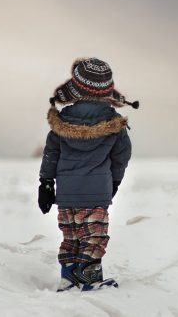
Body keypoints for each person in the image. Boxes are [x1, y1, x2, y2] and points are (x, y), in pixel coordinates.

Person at [37, 57, 136, 291]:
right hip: (96, 194)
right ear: (108, 90)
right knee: (93, 238)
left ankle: (68, 277)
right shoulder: (114, 124)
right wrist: (114, 181)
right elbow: (121, 157)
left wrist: (46, 183)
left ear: (76, 87)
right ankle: (90, 279)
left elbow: (51, 153)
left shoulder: (62, 121)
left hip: (67, 196)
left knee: (71, 237)